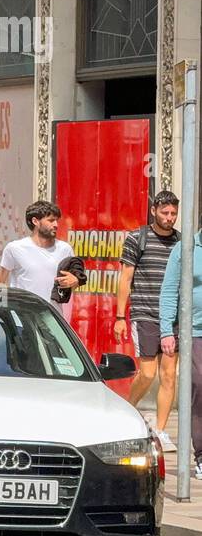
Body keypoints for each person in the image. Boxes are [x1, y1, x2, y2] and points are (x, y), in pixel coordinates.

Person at [116, 191, 182, 450]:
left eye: (173, 214)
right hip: (144, 312)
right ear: (154, 210)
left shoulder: (180, 241)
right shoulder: (137, 238)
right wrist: (120, 316)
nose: (169, 218)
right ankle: (126, 410)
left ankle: (162, 430)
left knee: (168, 376)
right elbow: (125, 278)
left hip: (173, 316)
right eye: (165, 213)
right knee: (147, 372)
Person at [160, 225, 202, 480]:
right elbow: (169, 290)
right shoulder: (185, 249)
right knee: (199, 384)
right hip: (196, 331)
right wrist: (166, 330)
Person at [0, 200, 78, 300]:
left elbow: (73, 282)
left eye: (57, 221)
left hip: (52, 314)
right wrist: (1, 309)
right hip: (22, 313)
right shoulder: (14, 248)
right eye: (50, 220)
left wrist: (75, 281)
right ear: (35, 221)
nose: (56, 225)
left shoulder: (65, 249)